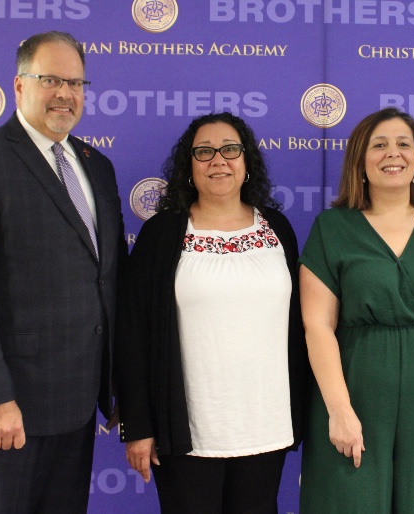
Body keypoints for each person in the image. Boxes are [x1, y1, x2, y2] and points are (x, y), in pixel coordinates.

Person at [0, 31, 126, 513]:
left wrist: (118, 384)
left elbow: (108, 279)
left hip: (75, 405)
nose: (66, 94)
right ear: (19, 87)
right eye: (51, 80)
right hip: (5, 410)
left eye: (76, 83)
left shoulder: (96, 166)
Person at [115, 112, 308, 514]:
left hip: (266, 425)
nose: (218, 160)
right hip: (187, 434)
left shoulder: (277, 229)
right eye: (203, 152)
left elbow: (299, 326)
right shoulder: (162, 234)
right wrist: (138, 425)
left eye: (230, 150)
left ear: (246, 162)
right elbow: (133, 334)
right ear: (189, 166)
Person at [299, 107, 414, 513]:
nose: (393, 154)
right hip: (354, 386)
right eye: (379, 145)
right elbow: (317, 326)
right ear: (360, 162)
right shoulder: (332, 229)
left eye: (404, 144)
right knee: (348, 501)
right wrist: (339, 409)